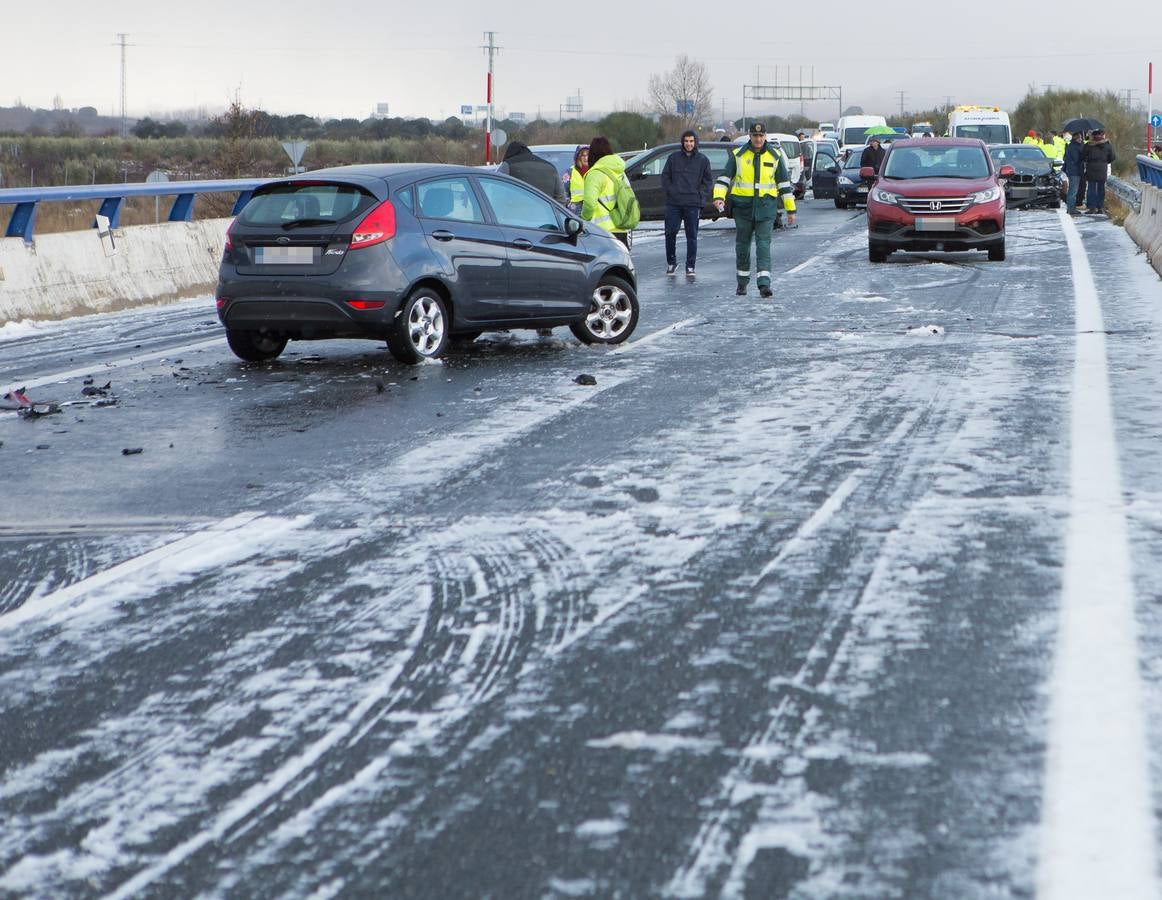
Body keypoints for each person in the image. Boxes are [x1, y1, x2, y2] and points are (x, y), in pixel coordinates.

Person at [712, 122, 796, 298]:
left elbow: (784, 185)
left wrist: (790, 210)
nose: (758, 139)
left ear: (765, 136)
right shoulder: (738, 156)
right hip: (743, 209)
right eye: (755, 136)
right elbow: (724, 179)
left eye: (761, 136)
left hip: (766, 209)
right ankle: (742, 283)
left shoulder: (775, 156)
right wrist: (718, 197)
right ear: (750, 136)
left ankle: (764, 284)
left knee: (763, 245)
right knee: (742, 246)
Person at [661, 130, 713, 277]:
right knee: (670, 233)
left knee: (692, 236)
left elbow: (708, 182)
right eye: (686, 141)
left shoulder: (703, 160)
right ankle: (671, 263)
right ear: (682, 142)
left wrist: (700, 196)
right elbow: (665, 177)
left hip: (693, 203)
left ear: (695, 142)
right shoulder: (673, 158)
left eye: (691, 141)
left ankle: (690, 266)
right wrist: (671, 191)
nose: (689, 144)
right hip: (674, 203)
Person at [582, 136, 632, 248]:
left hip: (601, 231)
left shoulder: (595, 174)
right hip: (623, 227)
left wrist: (584, 219)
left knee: (602, 265)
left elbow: (589, 204)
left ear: (593, 154)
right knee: (621, 264)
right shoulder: (620, 171)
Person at [497, 141, 566, 203]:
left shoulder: (508, 165)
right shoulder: (551, 167)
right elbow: (561, 198)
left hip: (513, 214)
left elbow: (496, 192)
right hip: (544, 215)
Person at [1082, 129, 1116, 214]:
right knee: (1101, 188)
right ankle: (1100, 207)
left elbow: (1083, 155)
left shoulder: (1088, 145)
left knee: (1091, 188)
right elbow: (1112, 157)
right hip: (1102, 169)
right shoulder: (1107, 145)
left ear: (1093, 136)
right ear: (1102, 135)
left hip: (1091, 168)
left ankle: (1091, 207)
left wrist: (1088, 161)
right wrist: (1105, 161)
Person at [1063, 131, 1085, 216]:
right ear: (1076, 138)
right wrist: (1082, 156)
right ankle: (1071, 208)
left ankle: (1071, 207)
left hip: (1071, 170)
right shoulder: (1074, 147)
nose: (1081, 139)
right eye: (1079, 138)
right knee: (1073, 190)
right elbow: (1076, 159)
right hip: (1074, 171)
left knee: (1072, 190)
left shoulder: (1071, 146)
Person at [568, 145, 589, 213]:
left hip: (592, 212)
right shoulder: (569, 172)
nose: (586, 158)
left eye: (588, 155)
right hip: (575, 214)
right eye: (583, 155)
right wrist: (569, 205)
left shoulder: (595, 172)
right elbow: (563, 193)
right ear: (578, 157)